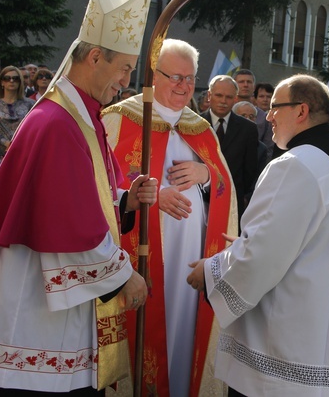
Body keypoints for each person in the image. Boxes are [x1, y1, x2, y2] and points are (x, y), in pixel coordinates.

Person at [0, 0, 158, 395]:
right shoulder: (57, 123)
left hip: (52, 315)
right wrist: (124, 274)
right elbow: (69, 224)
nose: (126, 82)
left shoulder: (76, 116)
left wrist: (124, 200)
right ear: (94, 56)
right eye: (125, 68)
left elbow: (81, 200)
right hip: (32, 321)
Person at [187, 74, 329, 396]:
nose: (267, 116)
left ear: (301, 111)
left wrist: (212, 271)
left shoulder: (293, 165)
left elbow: (262, 256)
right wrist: (248, 243)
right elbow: (303, 235)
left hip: (290, 330)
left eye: (274, 108)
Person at [103, 38, 236, 397]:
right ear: (153, 76)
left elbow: (227, 190)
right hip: (142, 258)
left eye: (190, 79)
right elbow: (102, 185)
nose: (184, 86)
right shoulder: (120, 119)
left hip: (192, 257)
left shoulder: (201, 129)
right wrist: (148, 196)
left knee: (188, 328)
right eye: (175, 77)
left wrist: (206, 175)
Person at [202, 75, 258, 219]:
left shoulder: (248, 129)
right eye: (219, 95)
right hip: (198, 200)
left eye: (228, 97)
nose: (223, 101)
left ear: (235, 99)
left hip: (233, 201)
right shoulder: (194, 124)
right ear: (209, 95)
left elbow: (250, 171)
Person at [0, 66, 35, 172]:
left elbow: (33, 128)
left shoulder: (30, 104)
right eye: (7, 78)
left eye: (16, 78)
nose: (11, 81)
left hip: (22, 154)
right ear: (1, 82)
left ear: (20, 82)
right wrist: (5, 142)